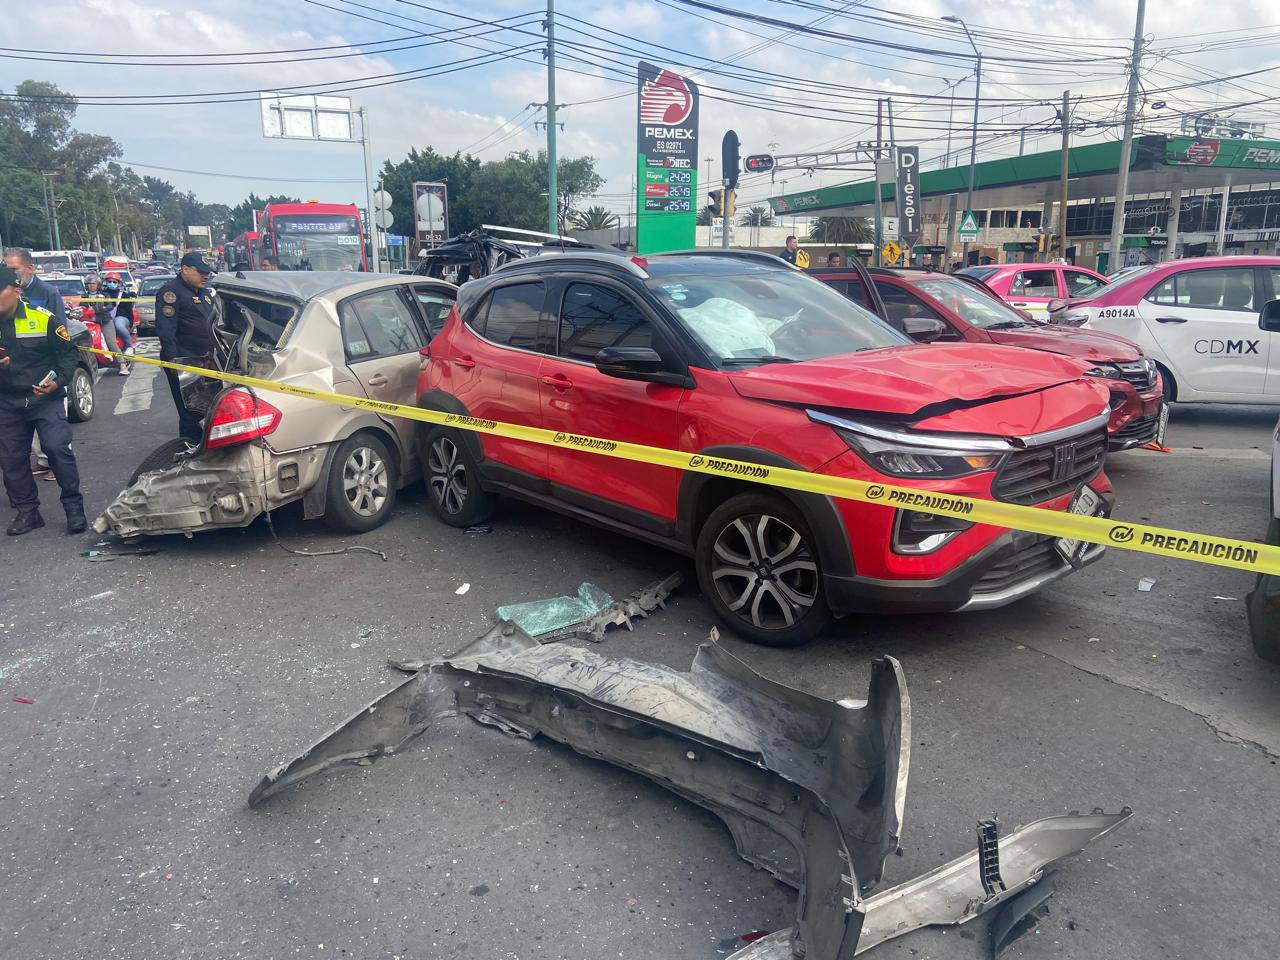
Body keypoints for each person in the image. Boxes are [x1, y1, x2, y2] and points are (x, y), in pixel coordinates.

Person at [0, 264, 87, 536]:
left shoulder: (44, 319)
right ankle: (28, 513)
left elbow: (69, 355)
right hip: (7, 402)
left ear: (16, 291)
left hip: (44, 399)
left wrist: (58, 381)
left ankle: (74, 509)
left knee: (56, 448)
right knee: (12, 459)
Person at [154, 251, 217, 443]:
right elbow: (166, 332)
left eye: (208, 273)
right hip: (185, 360)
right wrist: (175, 365)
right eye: (201, 272)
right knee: (191, 412)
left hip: (208, 361)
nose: (205, 276)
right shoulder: (171, 293)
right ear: (185, 270)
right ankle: (189, 450)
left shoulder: (204, 293)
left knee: (209, 410)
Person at [98, 272, 135, 376]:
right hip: (100, 319)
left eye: (114, 282)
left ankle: (128, 348)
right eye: (109, 281)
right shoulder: (101, 294)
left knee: (117, 324)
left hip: (120, 318)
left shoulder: (124, 295)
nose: (112, 283)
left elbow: (130, 312)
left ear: (119, 283)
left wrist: (130, 325)